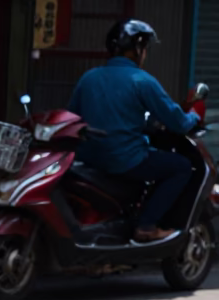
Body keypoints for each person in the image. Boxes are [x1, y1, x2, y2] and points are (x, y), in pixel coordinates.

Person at [68, 19, 200, 243]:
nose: (145, 53)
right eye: (146, 48)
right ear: (138, 49)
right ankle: (147, 226)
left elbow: (71, 117)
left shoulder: (88, 78)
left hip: (87, 159)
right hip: (124, 160)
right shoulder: (141, 81)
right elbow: (177, 122)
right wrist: (194, 116)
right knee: (182, 167)